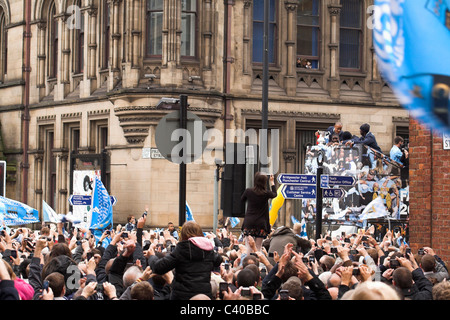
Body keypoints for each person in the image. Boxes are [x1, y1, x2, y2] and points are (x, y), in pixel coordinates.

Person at [151, 221, 223, 300]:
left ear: (183, 235)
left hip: (181, 297)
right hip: (203, 295)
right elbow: (218, 260)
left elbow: (159, 268)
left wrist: (151, 256)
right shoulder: (208, 250)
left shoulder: (182, 248)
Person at [241, 172, 277, 253]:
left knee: (248, 247)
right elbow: (275, 194)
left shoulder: (248, 191)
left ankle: (248, 263)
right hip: (261, 223)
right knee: (258, 247)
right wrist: (272, 182)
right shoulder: (266, 193)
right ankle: (256, 264)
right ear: (264, 182)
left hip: (249, 222)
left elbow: (241, 200)